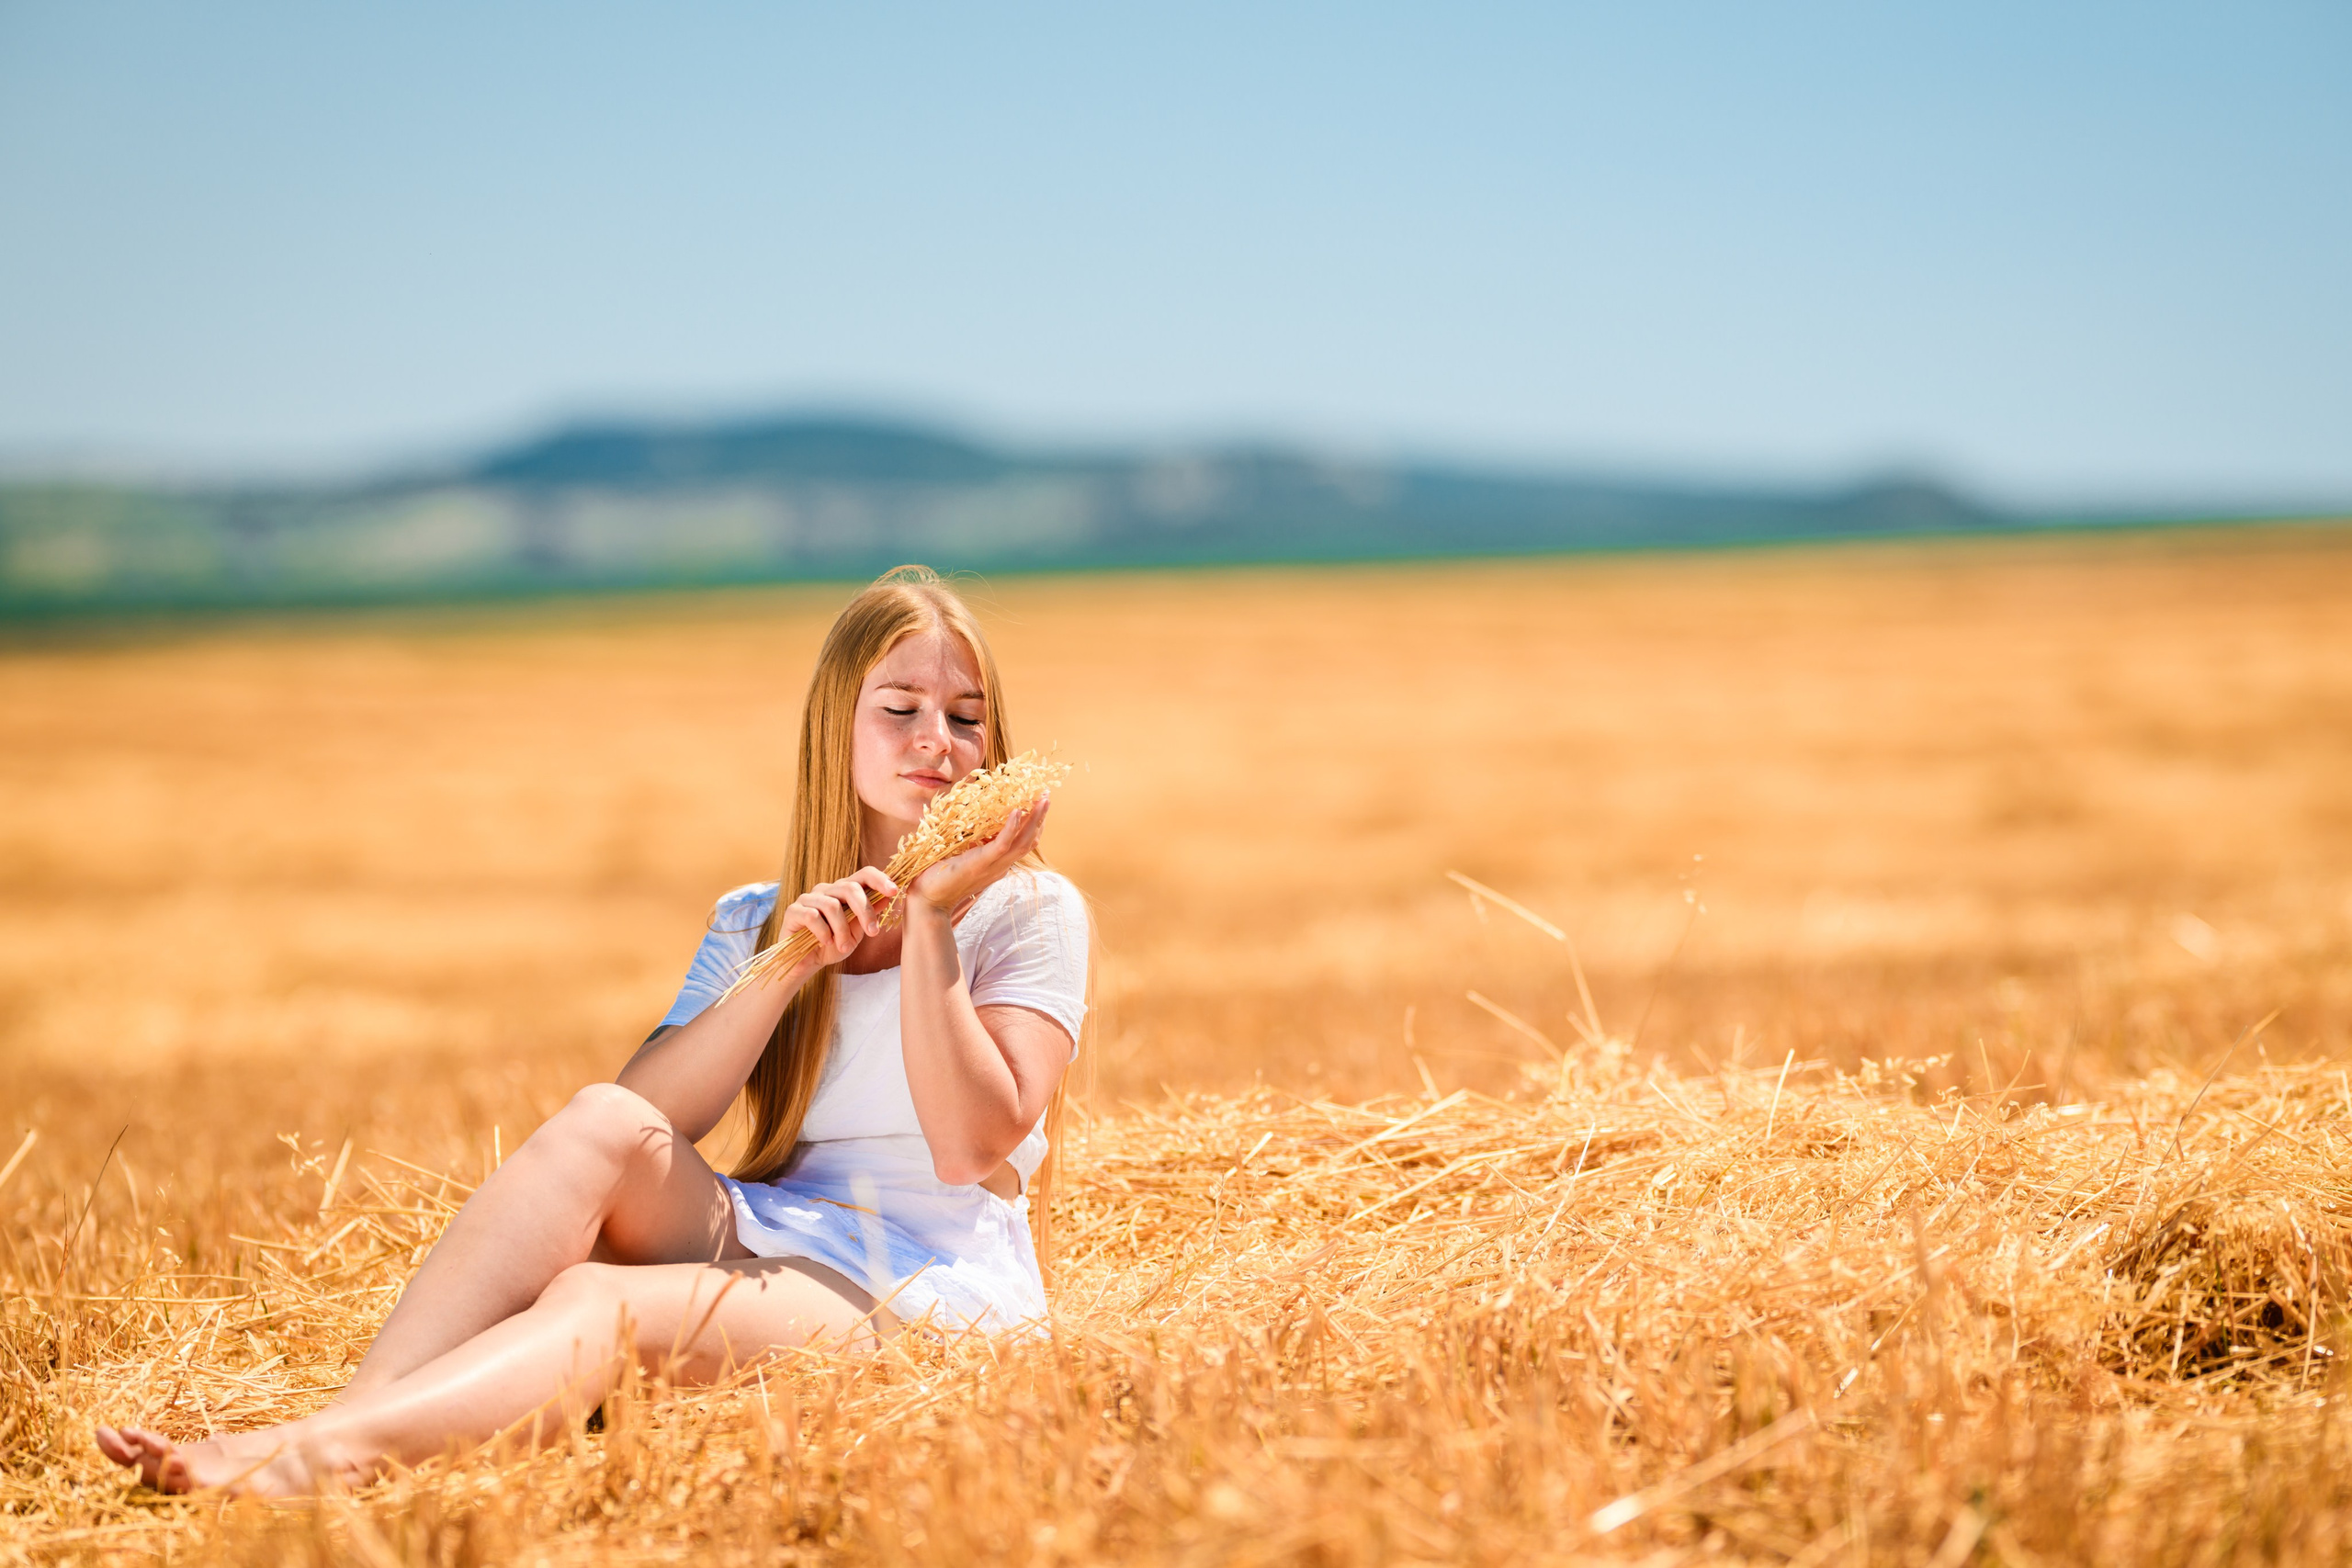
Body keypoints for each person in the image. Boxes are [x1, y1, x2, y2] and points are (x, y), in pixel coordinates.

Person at [96, 566, 1089, 1496]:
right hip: (783, 1230)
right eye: (900, 710)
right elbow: (650, 1116)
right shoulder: (756, 915)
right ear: (836, 729)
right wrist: (786, 968)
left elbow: (971, 1147)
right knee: (596, 1123)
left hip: (929, 1282)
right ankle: (350, 1419)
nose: (938, 742)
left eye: (966, 719)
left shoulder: (1028, 915)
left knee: (593, 1301)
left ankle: (334, 1462)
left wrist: (927, 925)